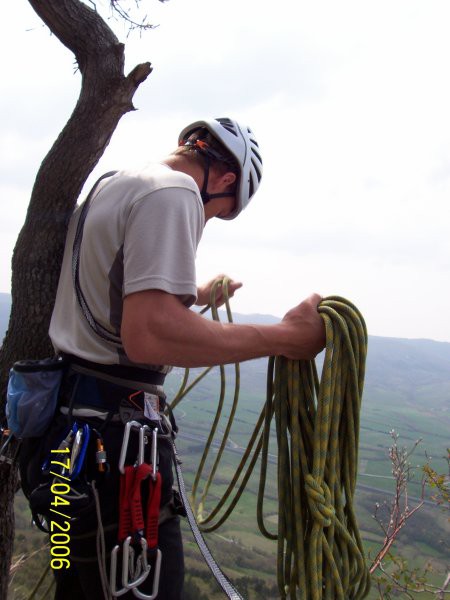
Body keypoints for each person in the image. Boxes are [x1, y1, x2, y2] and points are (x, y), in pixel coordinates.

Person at [24, 117, 325, 599]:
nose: (206, 222)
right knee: (141, 586)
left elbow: (109, 298)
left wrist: (192, 294)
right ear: (225, 180)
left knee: (77, 584)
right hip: (116, 454)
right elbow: (149, 335)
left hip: (67, 449)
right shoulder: (176, 193)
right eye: (218, 214)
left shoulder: (113, 184)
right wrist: (285, 337)